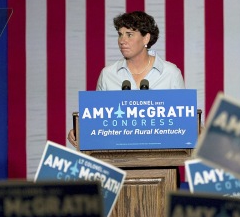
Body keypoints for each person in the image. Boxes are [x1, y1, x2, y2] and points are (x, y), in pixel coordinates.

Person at [68, 10, 185, 148]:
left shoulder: (170, 73)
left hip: (163, 159)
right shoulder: (108, 75)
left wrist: (197, 129)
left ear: (146, 38)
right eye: (120, 34)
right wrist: (81, 131)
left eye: (129, 35)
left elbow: (185, 121)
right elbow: (97, 121)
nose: (122, 41)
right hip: (118, 161)